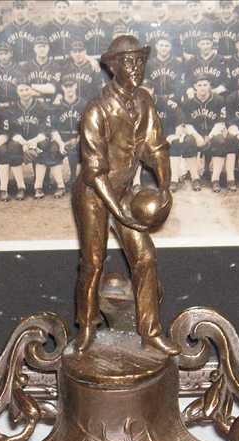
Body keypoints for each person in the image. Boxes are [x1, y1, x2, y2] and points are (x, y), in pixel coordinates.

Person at [73, 36, 178, 356]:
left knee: (145, 257)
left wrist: (165, 187)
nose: (136, 67)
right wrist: (119, 213)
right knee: (93, 262)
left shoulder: (144, 100)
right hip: (94, 195)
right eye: (129, 62)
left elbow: (156, 147)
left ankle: (150, 332)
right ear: (112, 67)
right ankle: (87, 327)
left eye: (140, 61)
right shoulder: (96, 110)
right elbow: (94, 172)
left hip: (124, 190)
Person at [179, 74, 232, 192]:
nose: (202, 88)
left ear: (210, 86)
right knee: (188, 141)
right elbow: (186, 124)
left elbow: (221, 121)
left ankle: (215, 179)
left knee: (220, 141)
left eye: (205, 85)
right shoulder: (188, 102)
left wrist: (210, 136)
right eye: (199, 85)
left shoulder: (219, 100)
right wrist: (197, 137)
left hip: (213, 132)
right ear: (194, 86)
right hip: (196, 133)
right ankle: (195, 178)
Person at [5, 81, 55, 200]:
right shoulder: (12, 108)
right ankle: (21, 187)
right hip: (20, 140)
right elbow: (12, 131)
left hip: (37, 139)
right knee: (12, 146)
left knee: (43, 144)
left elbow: (45, 130)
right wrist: (24, 143)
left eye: (27, 89)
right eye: (21, 90)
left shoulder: (41, 107)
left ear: (32, 91)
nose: (24, 93)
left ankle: (38, 186)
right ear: (17, 92)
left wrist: (33, 142)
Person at [49, 75, 87, 194]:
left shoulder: (83, 103)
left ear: (75, 86)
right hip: (62, 137)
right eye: (66, 86)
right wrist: (61, 143)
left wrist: (78, 139)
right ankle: (60, 185)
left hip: (78, 136)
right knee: (53, 149)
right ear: (62, 88)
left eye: (71, 86)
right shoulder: (57, 105)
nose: (69, 89)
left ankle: (74, 179)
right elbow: (53, 128)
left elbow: (86, 125)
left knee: (76, 150)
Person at [22, 36, 61, 102]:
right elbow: (23, 88)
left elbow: (51, 89)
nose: (42, 49)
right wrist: (43, 89)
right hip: (31, 103)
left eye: (44, 46)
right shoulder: (26, 66)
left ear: (48, 48)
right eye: (39, 46)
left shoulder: (55, 66)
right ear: (34, 49)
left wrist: (30, 86)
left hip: (49, 103)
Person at [0, 0, 37, 64]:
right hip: (12, 65)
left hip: (31, 65)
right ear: (13, 10)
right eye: (17, 8)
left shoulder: (35, 28)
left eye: (22, 8)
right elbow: (3, 50)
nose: (20, 11)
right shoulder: (6, 29)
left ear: (27, 9)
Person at [0, 43, 25, 107]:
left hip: (15, 104)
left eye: (6, 54)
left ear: (11, 54)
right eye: (1, 54)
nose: (3, 57)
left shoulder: (19, 68)